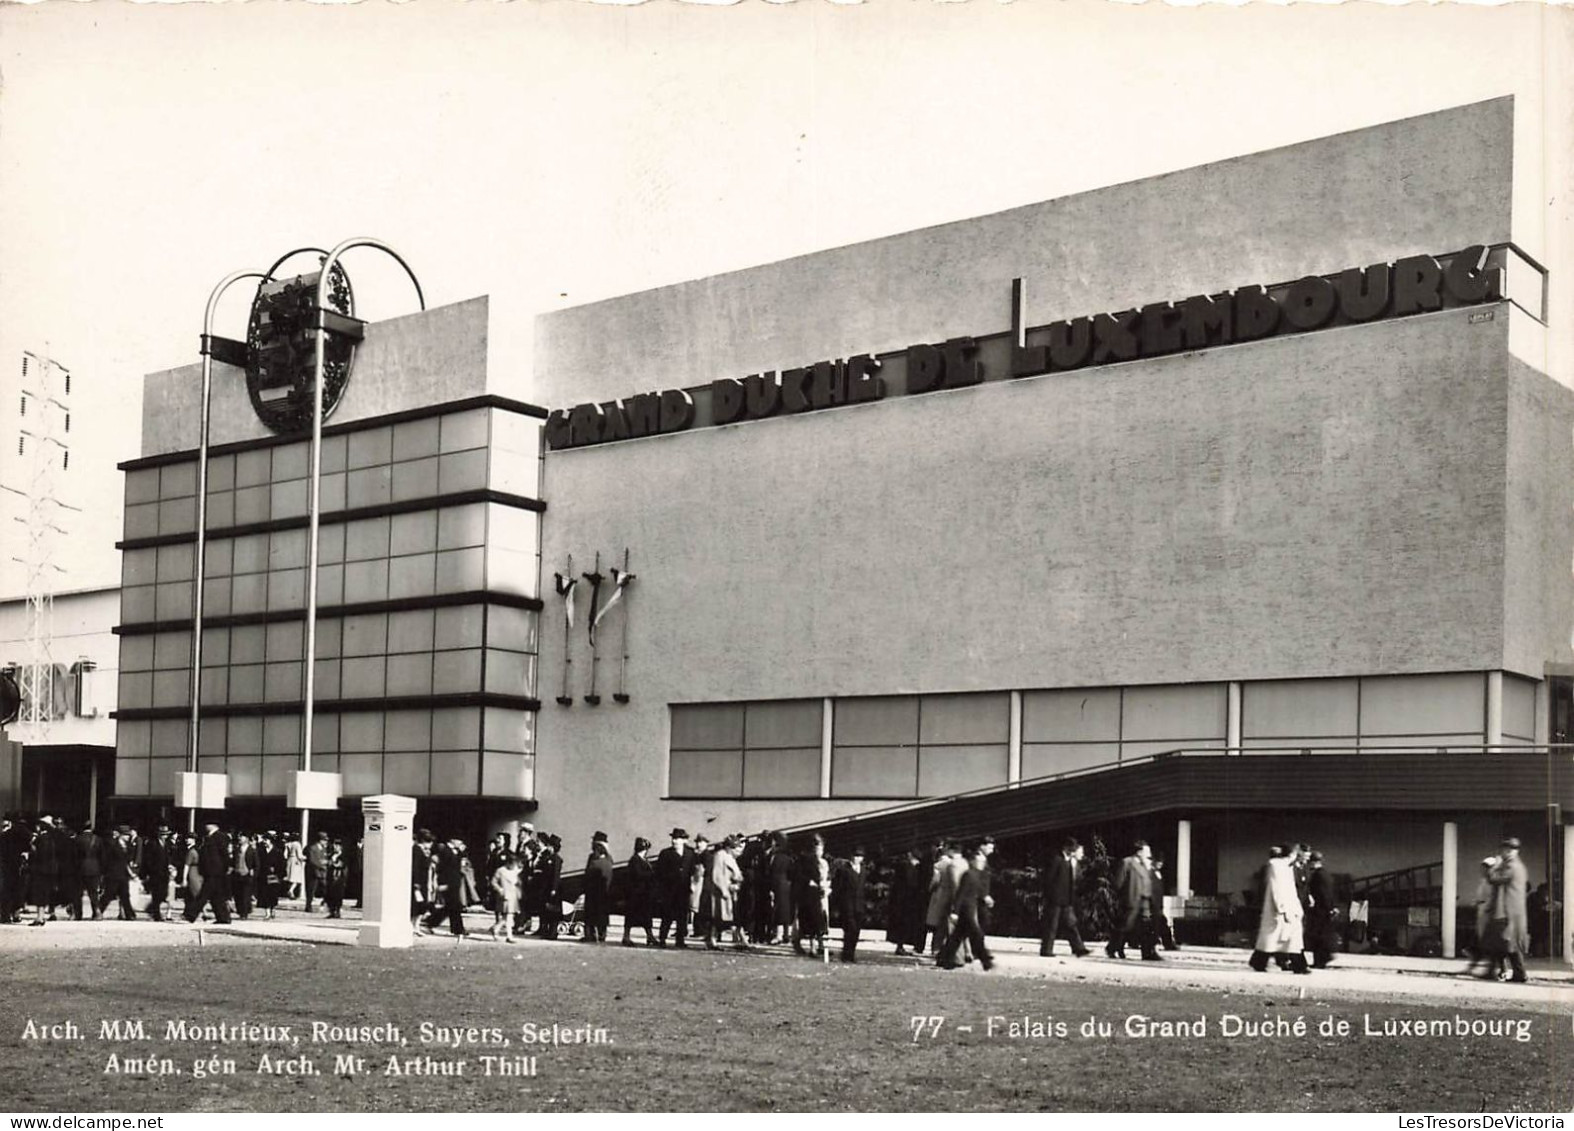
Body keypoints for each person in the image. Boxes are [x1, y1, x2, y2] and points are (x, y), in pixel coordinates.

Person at [1249, 844, 1307, 974]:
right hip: (1281, 909)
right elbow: (1277, 889)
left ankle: (1259, 961)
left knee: (1279, 939)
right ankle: (1298, 965)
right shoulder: (1278, 867)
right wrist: (1283, 909)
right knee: (1276, 938)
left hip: (1289, 907)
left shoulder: (1286, 867)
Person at [1481, 836, 1529, 983]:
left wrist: (1491, 867)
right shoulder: (1516, 865)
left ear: (1511, 851)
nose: (1504, 852)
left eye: (1507, 850)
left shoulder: (1511, 866)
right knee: (1501, 942)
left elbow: (1495, 879)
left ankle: (1519, 973)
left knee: (1507, 943)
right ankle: (1499, 971)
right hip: (1509, 910)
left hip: (1508, 912)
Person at [938, 846, 994, 971]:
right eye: (980, 861)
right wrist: (955, 912)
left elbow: (979, 890)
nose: (982, 863)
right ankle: (985, 960)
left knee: (956, 937)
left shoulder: (977, 874)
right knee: (976, 934)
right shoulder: (968, 875)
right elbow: (960, 894)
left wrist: (985, 897)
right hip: (965, 909)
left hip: (971, 907)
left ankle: (944, 958)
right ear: (973, 861)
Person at [1108, 840, 1159, 961]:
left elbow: (1149, 881)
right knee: (1125, 925)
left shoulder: (1145, 865)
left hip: (1145, 900)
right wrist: (1121, 897)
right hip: (1132, 899)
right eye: (1147, 851)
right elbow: (1118, 882)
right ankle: (1112, 948)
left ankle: (1147, 952)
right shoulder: (1127, 862)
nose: (1149, 854)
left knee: (1147, 927)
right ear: (1139, 852)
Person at [1040, 837, 1090, 958]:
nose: (1073, 851)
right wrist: (1049, 896)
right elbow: (1048, 879)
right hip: (1055, 899)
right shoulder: (1056, 859)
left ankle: (1079, 948)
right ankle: (1046, 950)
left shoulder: (1068, 861)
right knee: (1052, 925)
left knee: (1071, 924)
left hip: (1067, 899)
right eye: (1071, 849)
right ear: (1065, 848)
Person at [185, 822, 233, 925]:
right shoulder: (208, 837)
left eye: (208, 824)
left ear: (213, 825)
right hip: (210, 870)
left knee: (204, 894)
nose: (205, 826)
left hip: (216, 870)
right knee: (216, 896)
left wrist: (227, 866)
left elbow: (224, 853)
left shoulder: (220, 836)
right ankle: (223, 917)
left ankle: (191, 914)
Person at [655, 828, 695, 948]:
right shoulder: (665, 853)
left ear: (684, 840)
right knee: (667, 916)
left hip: (683, 890)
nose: (674, 841)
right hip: (669, 890)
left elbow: (693, 870)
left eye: (677, 838)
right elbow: (659, 873)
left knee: (682, 916)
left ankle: (680, 940)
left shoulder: (690, 854)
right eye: (673, 838)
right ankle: (662, 939)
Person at [705, 835, 745, 950]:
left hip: (730, 890)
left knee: (728, 917)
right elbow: (717, 875)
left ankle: (739, 939)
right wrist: (724, 890)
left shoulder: (729, 857)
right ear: (729, 848)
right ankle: (712, 940)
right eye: (735, 848)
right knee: (718, 917)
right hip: (721, 892)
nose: (738, 850)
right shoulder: (720, 856)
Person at [793, 834, 830, 957]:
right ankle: (809, 945)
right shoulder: (804, 860)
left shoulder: (823, 863)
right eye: (817, 848)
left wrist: (826, 886)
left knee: (821, 919)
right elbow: (798, 876)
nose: (819, 851)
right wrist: (809, 882)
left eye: (821, 849)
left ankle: (820, 945)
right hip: (808, 895)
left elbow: (826, 877)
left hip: (820, 893)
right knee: (810, 920)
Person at [887, 845, 927, 956]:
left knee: (905, 923)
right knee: (904, 923)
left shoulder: (912, 866)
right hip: (906, 899)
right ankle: (900, 945)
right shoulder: (907, 866)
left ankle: (901, 945)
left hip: (906, 899)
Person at [831, 846, 868, 962]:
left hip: (859, 904)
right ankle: (846, 954)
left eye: (860, 856)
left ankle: (851, 954)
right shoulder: (843, 870)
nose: (858, 859)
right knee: (849, 929)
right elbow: (838, 888)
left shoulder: (864, 870)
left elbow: (864, 888)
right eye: (856, 856)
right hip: (847, 904)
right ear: (851, 857)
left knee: (856, 931)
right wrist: (836, 905)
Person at [1304, 850, 1338, 968]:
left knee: (1318, 936)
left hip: (1320, 910)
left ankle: (1320, 960)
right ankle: (1323, 958)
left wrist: (1328, 907)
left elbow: (1324, 893)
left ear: (1313, 862)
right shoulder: (1326, 874)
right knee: (1322, 935)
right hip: (1324, 909)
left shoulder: (1318, 875)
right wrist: (1332, 907)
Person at [621, 837, 656, 947]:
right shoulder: (636, 860)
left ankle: (649, 936)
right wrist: (652, 875)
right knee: (632, 916)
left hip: (642, 893)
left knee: (645, 916)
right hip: (636, 893)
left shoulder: (639, 860)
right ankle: (627, 937)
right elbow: (638, 875)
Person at [582, 832, 614, 944]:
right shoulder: (593, 858)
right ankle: (590, 934)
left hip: (601, 890)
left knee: (600, 913)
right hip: (592, 890)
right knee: (591, 913)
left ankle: (601, 934)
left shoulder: (607, 859)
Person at [100, 827, 138, 922]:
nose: (128, 837)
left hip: (123, 874)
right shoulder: (112, 845)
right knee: (108, 894)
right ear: (121, 835)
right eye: (126, 835)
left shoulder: (128, 846)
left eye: (129, 835)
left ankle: (129, 914)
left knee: (125, 895)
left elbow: (127, 860)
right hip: (113, 874)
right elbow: (106, 859)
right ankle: (99, 911)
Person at [767, 833, 797, 945]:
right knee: (786, 910)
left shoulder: (774, 858)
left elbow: (770, 873)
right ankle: (786, 934)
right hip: (786, 885)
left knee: (778, 910)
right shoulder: (789, 858)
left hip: (778, 885)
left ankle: (779, 935)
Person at [142, 823, 173, 922]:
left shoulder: (167, 844)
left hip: (164, 873)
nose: (165, 836)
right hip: (155, 873)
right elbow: (147, 859)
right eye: (163, 834)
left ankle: (151, 908)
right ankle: (156, 914)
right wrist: (149, 871)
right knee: (156, 894)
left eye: (166, 834)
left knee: (163, 894)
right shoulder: (152, 844)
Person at [73, 822, 103, 921]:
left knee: (78, 893)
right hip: (95, 868)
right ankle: (97, 912)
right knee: (93, 892)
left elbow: (75, 855)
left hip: (81, 868)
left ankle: (78, 913)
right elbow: (102, 856)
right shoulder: (98, 839)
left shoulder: (78, 839)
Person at [1150, 851, 1179, 951]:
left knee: (1162, 923)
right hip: (1152, 904)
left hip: (1158, 904)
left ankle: (1168, 944)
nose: (1160, 864)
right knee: (1156, 925)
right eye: (1158, 862)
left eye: (1161, 862)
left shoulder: (1159, 874)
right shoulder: (1150, 873)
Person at [490, 852, 522, 942]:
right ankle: (509, 935)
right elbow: (493, 882)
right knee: (508, 916)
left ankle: (495, 928)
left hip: (513, 895)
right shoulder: (500, 871)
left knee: (507, 916)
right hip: (505, 895)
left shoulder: (515, 871)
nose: (513, 866)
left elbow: (517, 881)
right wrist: (500, 890)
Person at [411, 829, 435, 934]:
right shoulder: (416, 850)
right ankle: (413, 925)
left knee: (422, 905)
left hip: (425, 881)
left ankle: (416, 926)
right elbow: (415, 867)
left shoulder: (425, 851)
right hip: (419, 882)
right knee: (417, 905)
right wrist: (416, 884)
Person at [230, 833, 258, 920]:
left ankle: (244, 913)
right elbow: (233, 861)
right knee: (238, 894)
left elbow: (256, 863)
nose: (240, 838)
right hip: (237, 874)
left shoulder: (252, 850)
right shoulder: (236, 849)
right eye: (239, 837)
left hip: (247, 874)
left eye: (242, 837)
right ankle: (240, 911)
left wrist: (253, 871)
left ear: (246, 839)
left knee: (246, 895)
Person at [323, 837, 349, 918]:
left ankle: (337, 911)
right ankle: (332, 911)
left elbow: (342, 865)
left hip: (339, 878)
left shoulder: (343, 856)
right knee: (330, 895)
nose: (335, 847)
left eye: (337, 846)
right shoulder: (330, 855)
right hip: (330, 877)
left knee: (338, 895)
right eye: (334, 845)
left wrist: (334, 862)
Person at [305, 830, 330, 913]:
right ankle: (308, 906)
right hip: (313, 871)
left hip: (322, 872)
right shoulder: (313, 848)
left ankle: (324, 903)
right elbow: (312, 860)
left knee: (325, 888)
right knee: (311, 889)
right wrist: (322, 864)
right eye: (325, 840)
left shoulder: (323, 849)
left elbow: (325, 858)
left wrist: (326, 863)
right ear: (320, 840)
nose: (326, 842)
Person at [284, 833, 305, 900]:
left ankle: (291, 893)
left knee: (290, 878)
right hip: (296, 861)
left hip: (289, 860)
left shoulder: (288, 844)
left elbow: (285, 855)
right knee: (296, 878)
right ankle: (291, 890)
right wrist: (305, 858)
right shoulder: (297, 844)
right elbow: (299, 855)